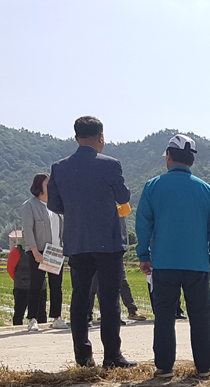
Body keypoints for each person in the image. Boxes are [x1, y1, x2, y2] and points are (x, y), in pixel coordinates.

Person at [47, 116, 136, 368]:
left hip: (77, 241)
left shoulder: (59, 167)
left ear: (76, 138)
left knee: (80, 299)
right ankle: (112, 357)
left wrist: (77, 210)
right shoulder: (110, 165)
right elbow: (123, 195)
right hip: (108, 240)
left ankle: (83, 357)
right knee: (110, 300)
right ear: (101, 137)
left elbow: (54, 204)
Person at [135, 134, 210, 378]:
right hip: (197, 264)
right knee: (200, 315)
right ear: (191, 160)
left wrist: (144, 255)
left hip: (164, 263)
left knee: (164, 316)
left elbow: (143, 225)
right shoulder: (206, 190)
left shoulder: (153, 186)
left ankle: (164, 367)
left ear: (169, 156)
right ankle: (204, 366)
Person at [18, 173, 67, 330]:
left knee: (56, 285)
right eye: (48, 183)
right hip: (39, 250)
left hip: (55, 250)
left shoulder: (56, 206)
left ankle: (56, 317)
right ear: (40, 185)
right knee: (36, 285)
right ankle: (32, 319)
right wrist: (34, 251)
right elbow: (28, 229)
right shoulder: (30, 205)